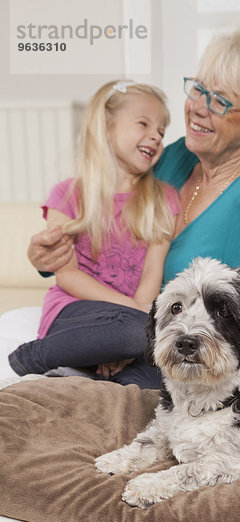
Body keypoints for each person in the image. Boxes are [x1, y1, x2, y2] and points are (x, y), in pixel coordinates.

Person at [27, 20, 240, 369]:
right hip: (128, 329)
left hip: (178, 350)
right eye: (198, 89)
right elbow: (101, 237)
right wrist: (45, 257)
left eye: (220, 101)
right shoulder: (177, 156)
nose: (198, 108)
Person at [9, 81, 179, 388]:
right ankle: (31, 357)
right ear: (106, 126)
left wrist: (138, 323)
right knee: (136, 330)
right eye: (144, 123)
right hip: (74, 311)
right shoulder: (69, 194)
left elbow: (153, 273)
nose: (156, 135)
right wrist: (136, 316)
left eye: (162, 131)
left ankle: (84, 379)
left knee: (161, 373)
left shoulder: (164, 200)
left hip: (132, 317)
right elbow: (67, 276)